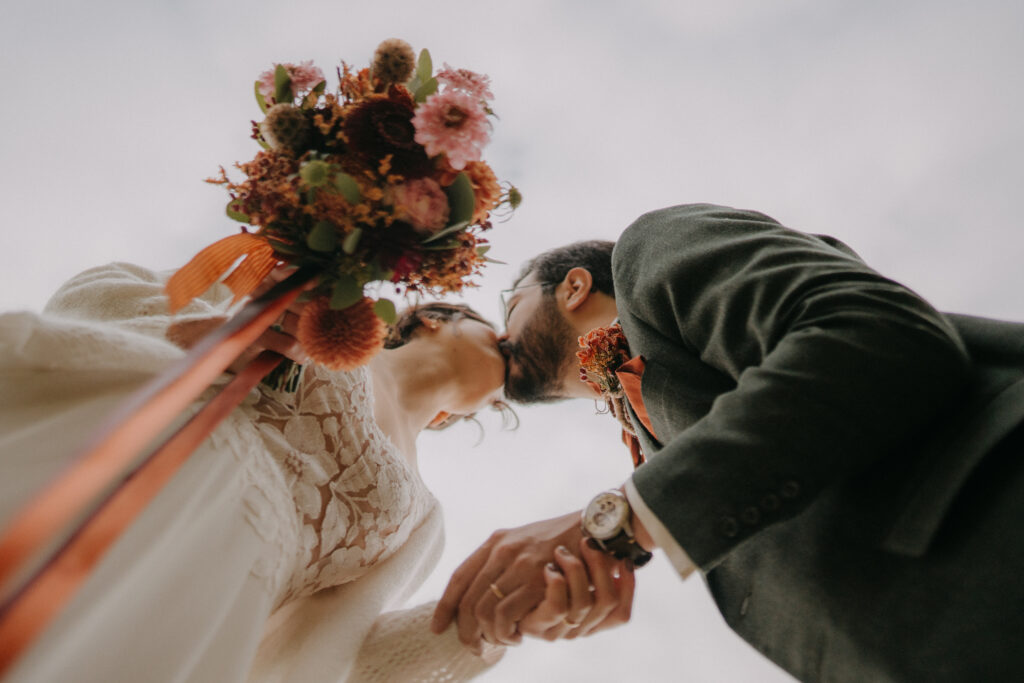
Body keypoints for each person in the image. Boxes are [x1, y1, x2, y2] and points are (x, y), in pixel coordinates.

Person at [431, 203, 1024, 682]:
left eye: (510, 307)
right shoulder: (650, 442)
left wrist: (614, 526)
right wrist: (595, 560)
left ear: (575, 286)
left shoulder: (647, 253)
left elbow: (876, 334)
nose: (500, 336)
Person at [0, 261, 516, 682]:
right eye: (496, 335)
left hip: (199, 608)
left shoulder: (424, 521)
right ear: (432, 319)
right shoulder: (314, 310)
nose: (507, 369)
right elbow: (101, 288)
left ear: (453, 416)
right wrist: (205, 337)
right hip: (117, 468)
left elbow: (342, 651)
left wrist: (491, 621)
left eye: (501, 403)